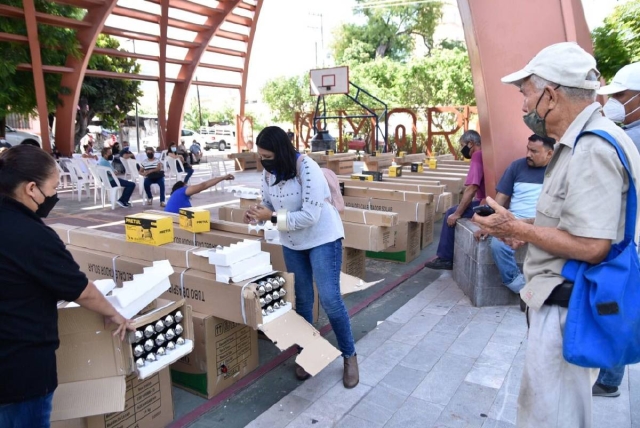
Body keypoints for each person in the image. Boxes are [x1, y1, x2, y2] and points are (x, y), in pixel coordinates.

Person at [472, 42, 640, 428]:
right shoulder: (584, 142)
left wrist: (513, 228)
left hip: (568, 305)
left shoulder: (592, 148)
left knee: (552, 417)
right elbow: (572, 224)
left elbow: (593, 246)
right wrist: (521, 227)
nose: (523, 105)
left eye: (526, 92)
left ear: (550, 94)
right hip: (565, 299)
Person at [0, 145, 132, 427]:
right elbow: (82, 290)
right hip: (19, 369)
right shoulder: (33, 235)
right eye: (54, 187)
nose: (55, 196)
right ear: (32, 189)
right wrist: (114, 314)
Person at [241, 126, 359, 388]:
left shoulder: (307, 168)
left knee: (329, 298)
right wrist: (257, 212)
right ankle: (308, 352)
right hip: (293, 242)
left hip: (322, 239)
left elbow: (309, 216)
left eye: (267, 156)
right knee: (303, 299)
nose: (263, 161)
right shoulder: (269, 174)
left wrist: (269, 217)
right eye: (260, 156)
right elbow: (269, 203)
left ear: (281, 151)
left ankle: (349, 356)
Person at [590, 62, 640, 398]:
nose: (614, 102)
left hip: (628, 240)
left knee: (617, 306)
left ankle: (609, 379)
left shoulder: (629, 138)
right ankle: (609, 377)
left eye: (620, 95)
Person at [477, 135, 554, 303]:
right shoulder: (517, 166)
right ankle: (520, 287)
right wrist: (490, 224)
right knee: (497, 244)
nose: (528, 154)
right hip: (513, 220)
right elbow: (501, 198)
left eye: (534, 151)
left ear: (549, 154)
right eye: (528, 149)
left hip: (542, 222)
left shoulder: (558, 172)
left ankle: (547, 289)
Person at [424, 130, 484, 270]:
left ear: (471, 144)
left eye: (462, 145)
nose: (462, 149)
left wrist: (457, 213)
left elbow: (472, 188)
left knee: (450, 213)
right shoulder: (485, 154)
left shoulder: (477, 155)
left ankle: (446, 258)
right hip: (486, 201)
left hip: (484, 204)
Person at [164, 174, 235, 214]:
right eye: (186, 185)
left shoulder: (177, 196)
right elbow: (203, 186)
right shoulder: (182, 191)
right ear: (182, 187)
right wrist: (223, 178)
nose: (189, 187)